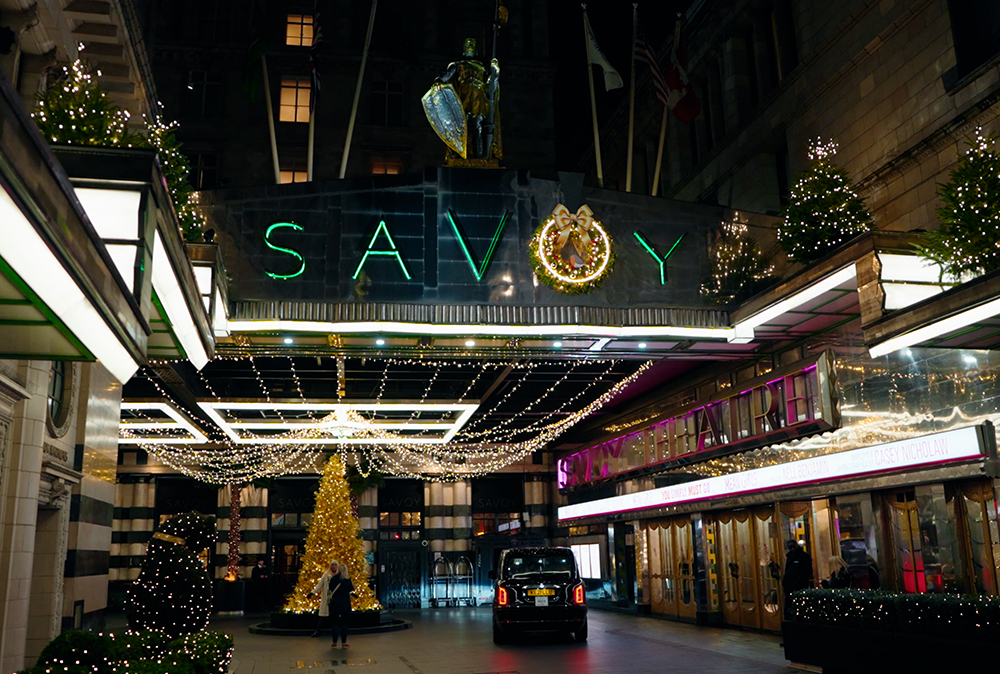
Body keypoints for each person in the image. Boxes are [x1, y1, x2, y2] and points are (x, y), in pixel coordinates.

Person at [307, 560, 354, 648]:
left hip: (335, 602)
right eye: (332, 565)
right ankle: (343, 642)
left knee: (335, 623)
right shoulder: (346, 579)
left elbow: (331, 588)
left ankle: (334, 642)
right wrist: (313, 592)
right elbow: (350, 589)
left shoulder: (333, 579)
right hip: (343, 603)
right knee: (343, 623)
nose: (334, 567)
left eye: (335, 565)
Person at [782, 539, 813, 619]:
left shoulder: (803, 557)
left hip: (798, 588)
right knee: (789, 608)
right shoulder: (790, 557)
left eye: (792, 547)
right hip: (789, 588)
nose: (792, 549)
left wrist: (796, 583)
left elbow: (806, 573)